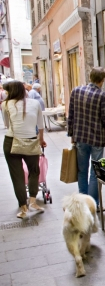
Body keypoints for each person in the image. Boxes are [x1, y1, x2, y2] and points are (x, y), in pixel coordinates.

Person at [67, 67, 105, 211]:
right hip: (96, 139)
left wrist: (71, 134)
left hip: (80, 137)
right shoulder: (102, 95)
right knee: (94, 172)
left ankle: (82, 205)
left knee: (82, 171)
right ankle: (93, 205)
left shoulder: (76, 91)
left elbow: (71, 115)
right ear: (102, 80)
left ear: (90, 77)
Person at [1, 81, 46, 218]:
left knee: (17, 176)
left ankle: (23, 209)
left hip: (11, 142)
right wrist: (41, 140)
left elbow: (7, 124)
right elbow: (40, 125)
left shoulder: (5, 105)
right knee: (34, 171)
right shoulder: (35, 103)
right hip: (31, 141)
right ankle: (33, 201)